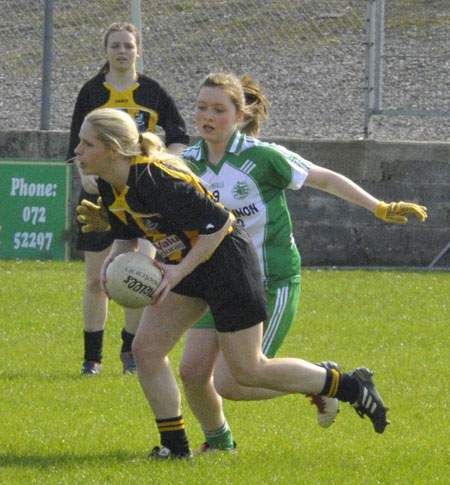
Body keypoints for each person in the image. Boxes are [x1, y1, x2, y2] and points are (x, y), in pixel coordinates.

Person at [75, 107, 397, 461]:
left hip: (227, 263)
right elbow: (127, 238)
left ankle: (349, 385)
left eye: (87, 144)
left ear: (115, 149)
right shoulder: (109, 183)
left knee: (247, 370)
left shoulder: (154, 178)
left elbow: (219, 224)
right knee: (147, 350)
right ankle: (177, 449)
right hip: (188, 265)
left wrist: (176, 272)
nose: (78, 151)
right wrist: (113, 266)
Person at [175, 72, 428, 452]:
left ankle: (329, 381)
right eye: (200, 107)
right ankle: (220, 444)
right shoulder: (187, 163)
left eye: (218, 109)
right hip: (220, 281)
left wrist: (378, 206)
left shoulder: (262, 157)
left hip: (270, 280)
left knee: (235, 381)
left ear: (240, 114)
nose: (207, 116)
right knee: (193, 372)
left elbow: (324, 179)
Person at [66, 22, 189, 375]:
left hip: (145, 197)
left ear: (138, 50)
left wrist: (166, 165)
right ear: (105, 52)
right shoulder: (92, 92)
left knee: (140, 275)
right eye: (116, 46)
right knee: (96, 279)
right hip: (100, 197)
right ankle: (92, 359)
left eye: (128, 46)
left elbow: (180, 135)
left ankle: (130, 353)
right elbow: (75, 146)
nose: (122, 51)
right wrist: (84, 173)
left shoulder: (153, 91)